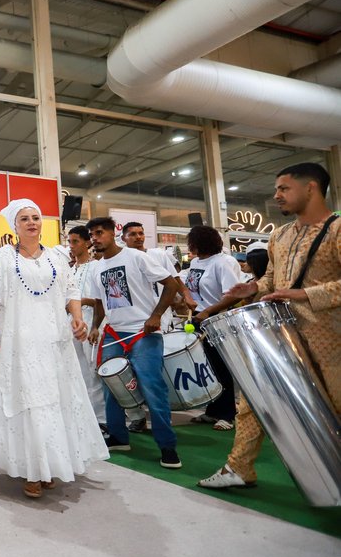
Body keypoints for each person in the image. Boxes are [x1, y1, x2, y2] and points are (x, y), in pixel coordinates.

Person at [201, 162, 340, 489]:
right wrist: (254, 289)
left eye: (283, 188)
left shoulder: (336, 230)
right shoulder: (279, 234)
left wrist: (305, 294)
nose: (276, 195)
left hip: (330, 340)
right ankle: (239, 468)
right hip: (280, 337)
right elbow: (272, 280)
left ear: (311, 188)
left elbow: (300, 287)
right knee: (253, 401)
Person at [0, 201, 108, 498]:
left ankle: (49, 465)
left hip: (52, 341)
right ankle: (32, 470)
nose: (32, 222)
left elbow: (71, 291)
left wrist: (78, 318)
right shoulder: (4, 259)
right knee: (26, 402)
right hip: (16, 343)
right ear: (15, 226)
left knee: (53, 401)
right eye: (24, 219)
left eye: (36, 217)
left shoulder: (57, 257)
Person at [86, 217, 182, 469]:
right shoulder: (96, 268)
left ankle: (167, 446)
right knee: (110, 384)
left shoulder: (136, 257)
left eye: (99, 233)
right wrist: (96, 326)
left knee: (152, 387)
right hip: (114, 332)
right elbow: (99, 302)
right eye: (92, 234)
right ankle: (118, 436)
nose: (94, 238)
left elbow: (171, 285)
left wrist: (156, 316)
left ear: (112, 233)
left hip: (143, 331)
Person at [120, 221, 188, 432]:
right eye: (133, 234)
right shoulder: (120, 258)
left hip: (158, 317)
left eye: (141, 233)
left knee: (153, 372)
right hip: (128, 324)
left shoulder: (158, 255)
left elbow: (175, 280)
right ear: (124, 238)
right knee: (128, 373)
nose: (138, 237)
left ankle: (162, 419)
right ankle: (137, 415)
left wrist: (185, 297)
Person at [179, 225, 242, 430]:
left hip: (215, 318)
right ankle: (212, 411)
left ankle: (228, 414)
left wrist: (208, 311)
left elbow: (232, 295)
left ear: (200, 242)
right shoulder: (196, 262)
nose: (189, 246)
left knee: (221, 366)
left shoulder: (224, 262)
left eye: (192, 242)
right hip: (196, 319)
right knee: (206, 367)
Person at [66, 225, 106, 430]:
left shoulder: (96, 266)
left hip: (92, 322)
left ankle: (101, 419)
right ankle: (85, 415)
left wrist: (82, 302)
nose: (72, 246)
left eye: (76, 241)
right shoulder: (71, 269)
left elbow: (102, 300)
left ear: (87, 242)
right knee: (78, 370)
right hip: (72, 323)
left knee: (93, 370)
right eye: (69, 242)